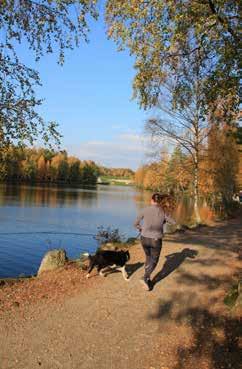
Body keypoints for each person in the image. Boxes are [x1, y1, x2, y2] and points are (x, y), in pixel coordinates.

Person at [134, 193, 176, 291]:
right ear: (160, 201)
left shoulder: (145, 210)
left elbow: (135, 224)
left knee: (148, 257)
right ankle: (145, 277)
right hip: (155, 240)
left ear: (152, 200)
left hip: (144, 238)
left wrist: (141, 229)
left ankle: (147, 278)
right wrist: (164, 221)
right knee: (154, 260)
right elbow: (173, 222)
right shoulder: (163, 212)